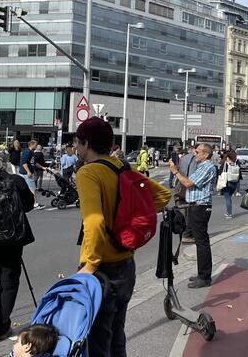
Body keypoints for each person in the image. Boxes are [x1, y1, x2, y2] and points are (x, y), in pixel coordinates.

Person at [74, 117, 170, 356]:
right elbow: (162, 195)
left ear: (86, 143)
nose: (76, 148)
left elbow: (94, 221)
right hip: (126, 264)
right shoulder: (123, 167)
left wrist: (90, 264)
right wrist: (127, 225)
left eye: (77, 142)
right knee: (117, 335)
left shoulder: (88, 173)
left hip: (101, 271)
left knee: (97, 341)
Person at [0, 151, 35, 345]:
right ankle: (2, 328)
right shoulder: (16, 181)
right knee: (8, 283)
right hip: (13, 240)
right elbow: (29, 205)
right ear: (6, 164)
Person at [169, 144, 216, 289]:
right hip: (196, 206)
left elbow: (188, 183)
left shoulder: (207, 167)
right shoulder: (202, 165)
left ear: (206, 154)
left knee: (201, 241)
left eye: (197, 152)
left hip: (201, 207)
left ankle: (204, 276)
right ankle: (202, 273)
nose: (194, 154)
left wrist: (175, 172)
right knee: (200, 240)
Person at [175, 146, 197, 244]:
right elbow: (191, 176)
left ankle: (183, 232)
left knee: (183, 212)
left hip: (180, 186)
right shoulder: (193, 159)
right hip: (187, 188)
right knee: (190, 212)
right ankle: (187, 234)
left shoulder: (184, 158)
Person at [19, 140, 44, 209]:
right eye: (35, 145)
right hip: (26, 174)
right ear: (31, 145)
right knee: (33, 189)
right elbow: (24, 163)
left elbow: (35, 163)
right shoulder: (27, 152)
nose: (36, 146)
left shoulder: (32, 152)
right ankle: (34, 204)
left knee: (26, 189)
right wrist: (28, 172)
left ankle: (25, 203)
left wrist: (43, 167)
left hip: (26, 173)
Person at [219, 150, 239, 219]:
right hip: (234, 183)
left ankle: (229, 213)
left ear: (228, 157)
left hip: (227, 183)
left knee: (228, 198)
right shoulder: (236, 164)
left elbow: (220, 173)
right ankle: (228, 211)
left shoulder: (225, 164)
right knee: (229, 197)